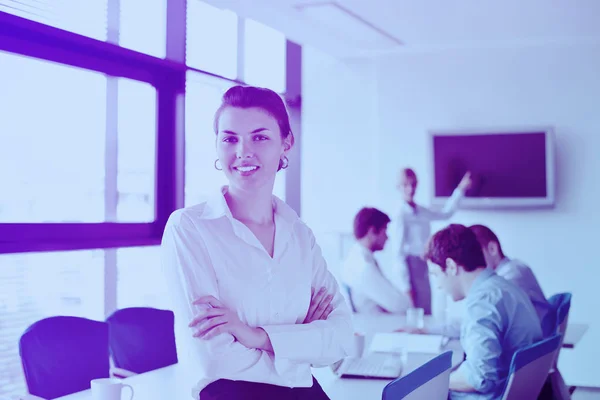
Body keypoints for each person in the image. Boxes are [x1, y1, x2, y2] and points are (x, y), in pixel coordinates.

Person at [161, 85, 353, 400]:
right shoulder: (190, 228)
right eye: (230, 138)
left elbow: (341, 339)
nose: (243, 152)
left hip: (302, 392)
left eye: (260, 137)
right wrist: (300, 342)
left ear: (286, 143)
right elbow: (212, 358)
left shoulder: (299, 235)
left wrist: (255, 336)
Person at [425, 224, 542, 400]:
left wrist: (431, 381)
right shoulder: (505, 288)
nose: (438, 285)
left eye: (435, 274)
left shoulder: (482, 302)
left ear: (450, 266)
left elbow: (480, 379)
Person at [396, 167, 472, 314]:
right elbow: (398, 255)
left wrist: (460, 190)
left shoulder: (420, 210)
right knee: (416, 310)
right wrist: (406, 288)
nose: (410, 189)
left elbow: (445, 214)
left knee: (426, 308)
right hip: (411, 266)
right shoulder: (401, 215)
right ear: (398, 187)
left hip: (424, 263)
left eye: (413, 184)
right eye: (405, 185)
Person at [469, 224, 551, 327]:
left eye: (475, 255)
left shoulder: (512, 276)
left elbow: (486, 319)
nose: (471, 263)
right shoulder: (513, 269)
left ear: (492, 249)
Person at [341, 207, 412, 314]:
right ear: (372, 231)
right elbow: (402, 305)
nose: (387, 237)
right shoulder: (364, 266)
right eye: (385, 230)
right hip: (376, 325)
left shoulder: (354, 257)